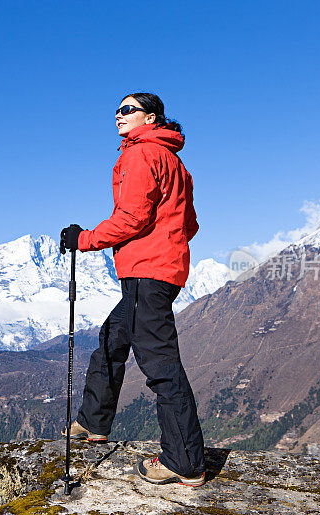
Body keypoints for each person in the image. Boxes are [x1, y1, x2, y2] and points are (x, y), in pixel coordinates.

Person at [59, 92, 206, 487]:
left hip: (146, 273)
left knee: (160, 366)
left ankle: (185, 461)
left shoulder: (141, 154)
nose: (119, 116)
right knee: (112, 337)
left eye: (128, 110)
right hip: (162, 271)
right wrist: (166, 240)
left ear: (151, 117)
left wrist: (83, 239)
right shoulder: (174, 160)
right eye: (117, 111)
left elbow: (132, 216)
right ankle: (93, 422)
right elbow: (189, 224)